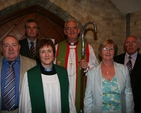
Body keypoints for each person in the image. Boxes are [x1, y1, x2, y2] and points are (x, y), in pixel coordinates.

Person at [19, 39, 76, 113]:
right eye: (43, 52)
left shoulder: (63, 73)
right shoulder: (30, 75)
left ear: (54, 54)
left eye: (49, 51)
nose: (47, 55)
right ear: (38, 55)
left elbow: (69, 100)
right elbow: (25, 105)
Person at [55, 18, 99, 112]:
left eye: (74, 27)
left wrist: (87, 66)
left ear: (79, 30)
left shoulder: (87, 48)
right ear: (65, 32)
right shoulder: (57, 48)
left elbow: (97, 69)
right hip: (62, 88)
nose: (72, 30)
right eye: (68, 28)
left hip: (81, 89)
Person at [84, 39, 134, 113]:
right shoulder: (92, 72)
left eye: (111, 49)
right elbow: (88, 97)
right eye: (105, 49)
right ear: (101, 52)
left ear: (115, 52)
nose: (108, 51)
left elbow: (128, 93)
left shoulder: (124, 69)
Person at [0, 35, 36, 113]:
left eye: (14, 45)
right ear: (1, 49)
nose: (11, 49)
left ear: (19, 47)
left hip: (22, 110)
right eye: (6, 46)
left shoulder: (32, 64)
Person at [114, 35, 141, 113]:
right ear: (124, 46)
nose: (130, 45)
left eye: (134, 42)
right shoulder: (116, 60)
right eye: (127, 43)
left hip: (138, 102)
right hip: (118, 101)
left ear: (138, 45)